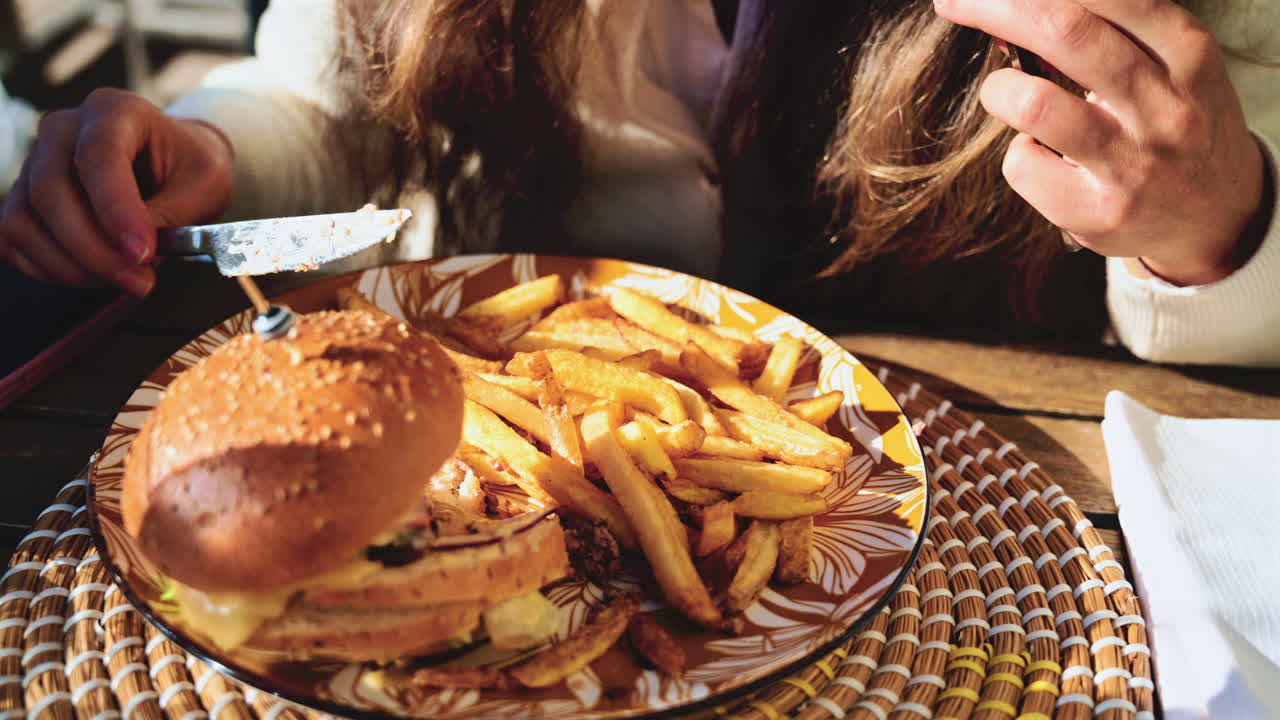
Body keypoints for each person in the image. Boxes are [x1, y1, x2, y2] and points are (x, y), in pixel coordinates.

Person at [0, 0, 1276, 366]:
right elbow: (333, 101)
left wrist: (1221, 226)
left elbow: (1243, 191)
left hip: (1002, 548)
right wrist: (211, 156)